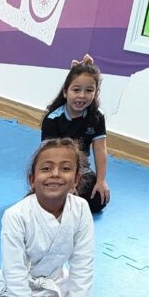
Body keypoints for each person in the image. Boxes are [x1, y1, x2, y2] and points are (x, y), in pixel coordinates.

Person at [0, 138, 94, 297]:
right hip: (19, 286)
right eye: (46, 168)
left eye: (65, 169)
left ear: (76, 179)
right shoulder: (16, 215)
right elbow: (14, 270)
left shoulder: (81, 208)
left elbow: (83, 261)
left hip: (55, 283)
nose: (55, 174)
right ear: (32, 179)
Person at [40, 55, 110, 214]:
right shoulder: (53, 119)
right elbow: (48, 156)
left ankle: (67, 201)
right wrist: (65, 181)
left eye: (89, 90)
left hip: (81, 170)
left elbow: (100, 150)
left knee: (98, 200)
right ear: (66, 92)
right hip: (56, 169)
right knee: (52, 197)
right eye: (76, 90)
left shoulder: (97, 117)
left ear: (95, 93)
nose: (82, 95)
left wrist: (101, 181)